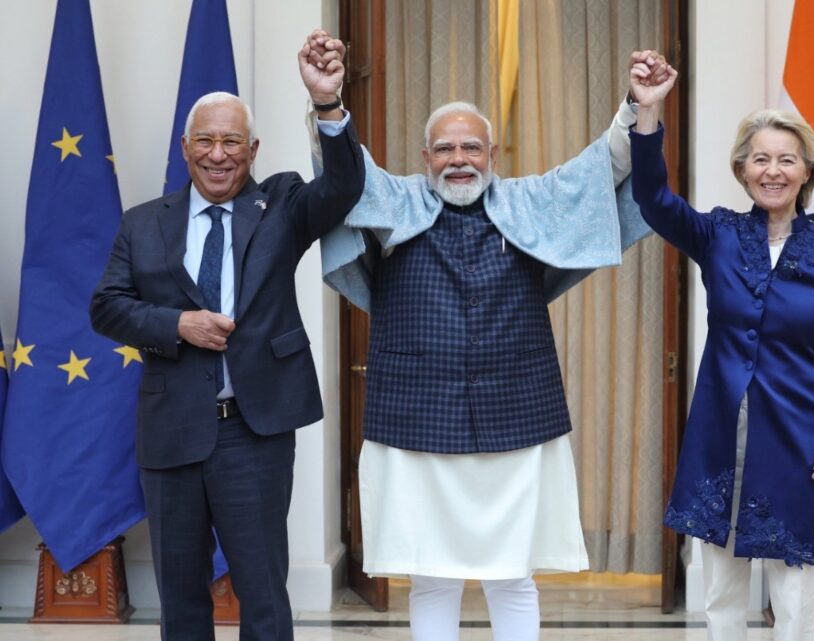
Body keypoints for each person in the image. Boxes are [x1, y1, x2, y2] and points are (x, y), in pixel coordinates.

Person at [306, 30, 666, 641]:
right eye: (445, 149)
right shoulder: (394, 199)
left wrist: (639, 106)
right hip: (415, 419)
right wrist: (327, 103)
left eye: (471, 147)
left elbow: (601, 167)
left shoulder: (531, 201)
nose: (459, 159)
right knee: (431, 576)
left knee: (513, 576)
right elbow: (343, 174)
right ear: (425, 157)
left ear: (493, 154)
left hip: (517, 417)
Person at [89, 32, 364, 641]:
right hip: (172, 430)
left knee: (262, 592)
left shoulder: (282, 203)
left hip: (254, 430)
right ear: (185, 148)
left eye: (232, 141)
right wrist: (176, 324)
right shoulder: (143, 224)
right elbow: (106, 308)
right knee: (181, 597)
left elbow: (344, 188)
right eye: (206, 141)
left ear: (253, 149)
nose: (218, 154)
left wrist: (326, 103)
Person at [628, 60, 814, 640]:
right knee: (722, 595)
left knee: (794, 596)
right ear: (741, 170)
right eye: (760, 159)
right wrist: (648, 111)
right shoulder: (718, 234)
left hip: (798, 437)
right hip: (719, 434)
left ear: (807, 171)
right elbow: (652, 198)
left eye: (786, 160)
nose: (773, 171)